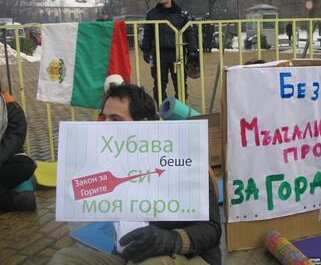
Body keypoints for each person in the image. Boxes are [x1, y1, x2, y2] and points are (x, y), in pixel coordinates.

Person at [49, 84, 221, 265]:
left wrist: (171, 239)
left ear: (143, 126)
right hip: (130, 256)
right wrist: (73, 191)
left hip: (188, 255)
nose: (105, 126)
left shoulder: (183, 162)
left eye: (116, 120)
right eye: (104, 118)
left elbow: (212, 229)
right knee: (65, 259)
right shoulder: (108, 163)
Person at [141, 0, 198, 105]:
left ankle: (179, 108)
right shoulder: (152, 14)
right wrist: (145, 50)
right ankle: (163, 109)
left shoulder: (182, 13)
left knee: (180, 82)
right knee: (159, 83)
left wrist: (192, 51)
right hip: (158, 53)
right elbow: (148, 33)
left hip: (177, 53)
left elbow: (189, 32)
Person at [0, 86, 37, 212]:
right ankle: (14, 202)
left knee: (26, 165)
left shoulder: (9, 105)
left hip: (2, 160)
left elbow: (15, 137)